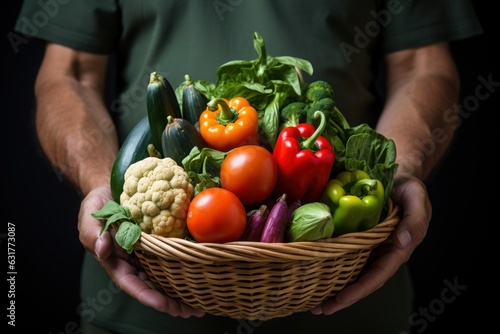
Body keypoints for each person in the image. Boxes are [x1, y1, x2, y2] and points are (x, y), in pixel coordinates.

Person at [14, 1, 482, 333]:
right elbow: (68, 72)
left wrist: (398, 174)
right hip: (140, 305)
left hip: (353, 297)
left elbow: (424, 66)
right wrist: (103, 186)